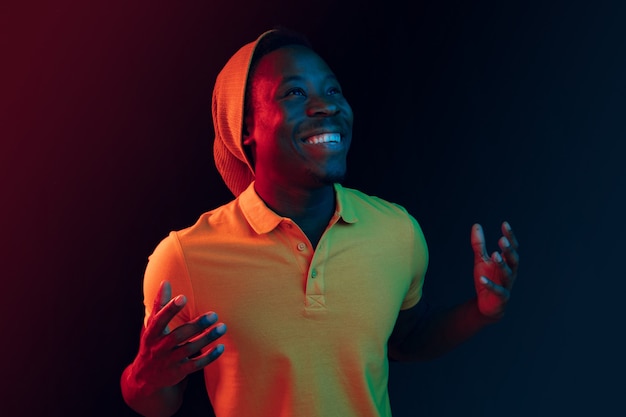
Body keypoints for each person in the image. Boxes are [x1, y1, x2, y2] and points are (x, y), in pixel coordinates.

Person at [120, 27, 519, 417]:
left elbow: (406, 338)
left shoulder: (397, 232)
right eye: (295, 93)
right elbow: (158, 401)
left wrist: (482, 311)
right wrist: (142, 376)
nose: (326, 106)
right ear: (245, 129)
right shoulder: (186, 257)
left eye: (332, 90)